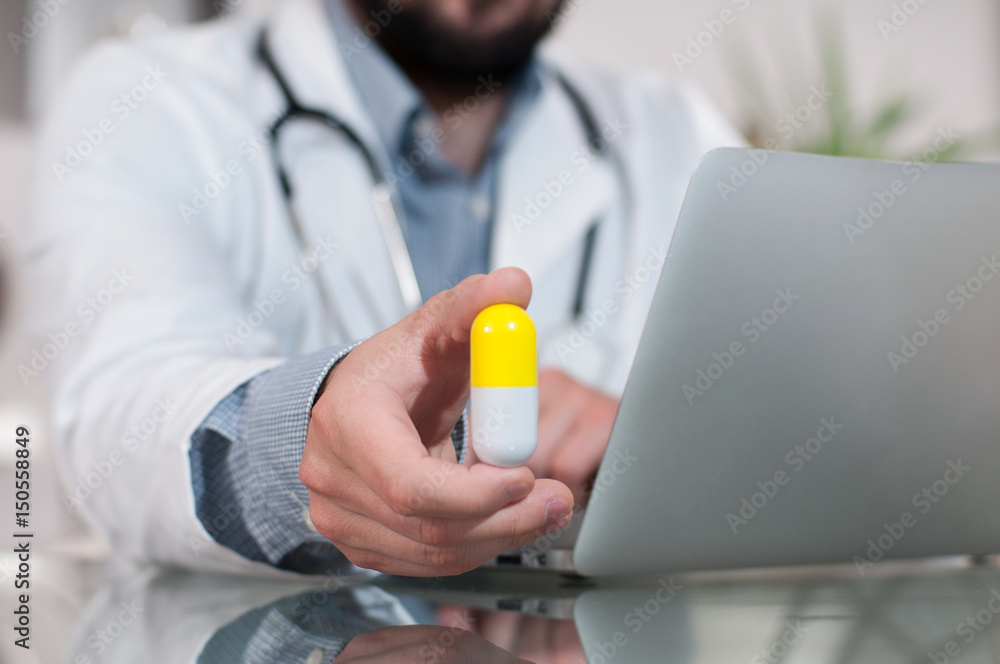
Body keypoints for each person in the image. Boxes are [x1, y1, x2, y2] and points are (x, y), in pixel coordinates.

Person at [24, 0, 742, 577]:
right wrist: (305, 441)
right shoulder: (147, 99)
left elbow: (790, 425)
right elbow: (123, 408)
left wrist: (665, 445)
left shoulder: (675, 130)